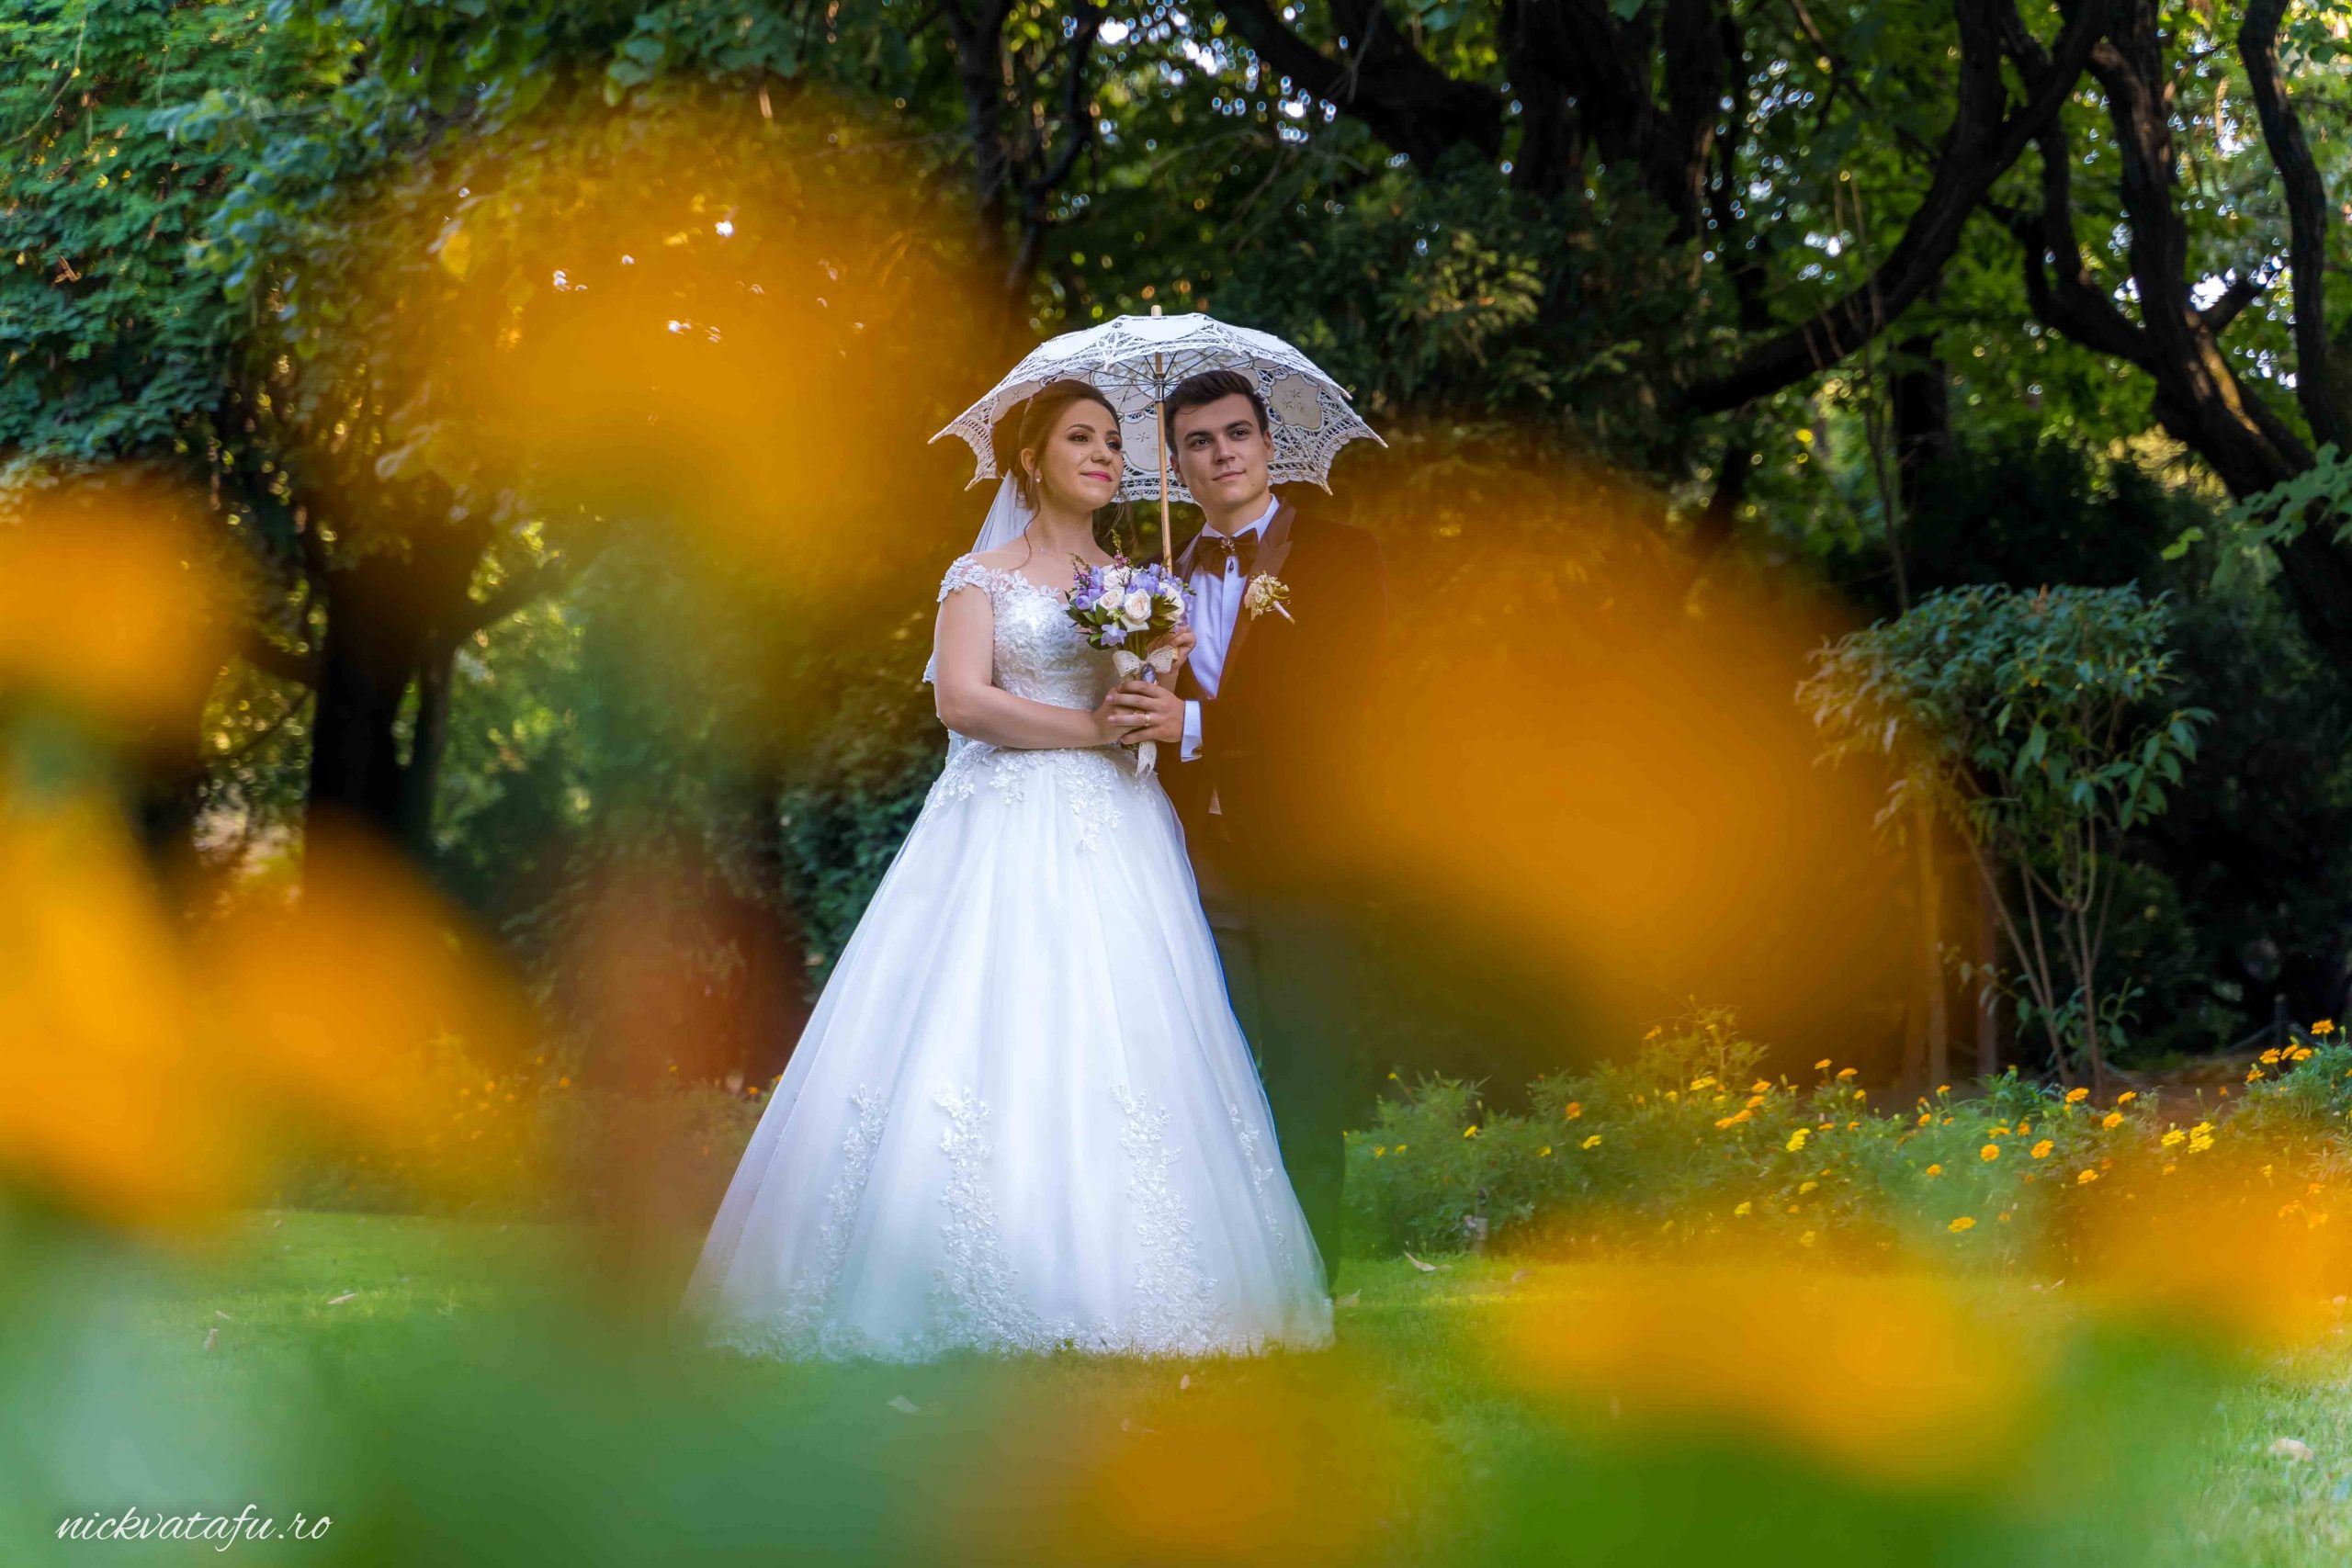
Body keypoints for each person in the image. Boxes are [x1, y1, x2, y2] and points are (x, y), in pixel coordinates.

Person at [682, 378, 1333, 1360]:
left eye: (1114, 441)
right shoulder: (977, 575)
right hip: (1003, 831)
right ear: (1031, 458)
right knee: (994, 1021)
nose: (1105, 455)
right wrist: (1088, 730)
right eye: (1082, 438)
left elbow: (1143, 713)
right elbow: (962, 703)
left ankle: (1135, 1275)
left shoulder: (1137, 577)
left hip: (1120, 833)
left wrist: (1160, 663)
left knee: (1131, 1035)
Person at [1109, 368, 1389, 1283]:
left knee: (1307, 1081)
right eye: (1199, 441)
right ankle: (1217, 1289)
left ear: (1269, 446)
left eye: (1236, 433)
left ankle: (1311, 1292)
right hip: (1192, 867)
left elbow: (1347, 714)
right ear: (1177, 465)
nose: (1221, 452)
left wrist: (1190, 724)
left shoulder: (1347, 557)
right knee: (1206, 1082)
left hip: (1307, 863)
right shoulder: (1151, 585)